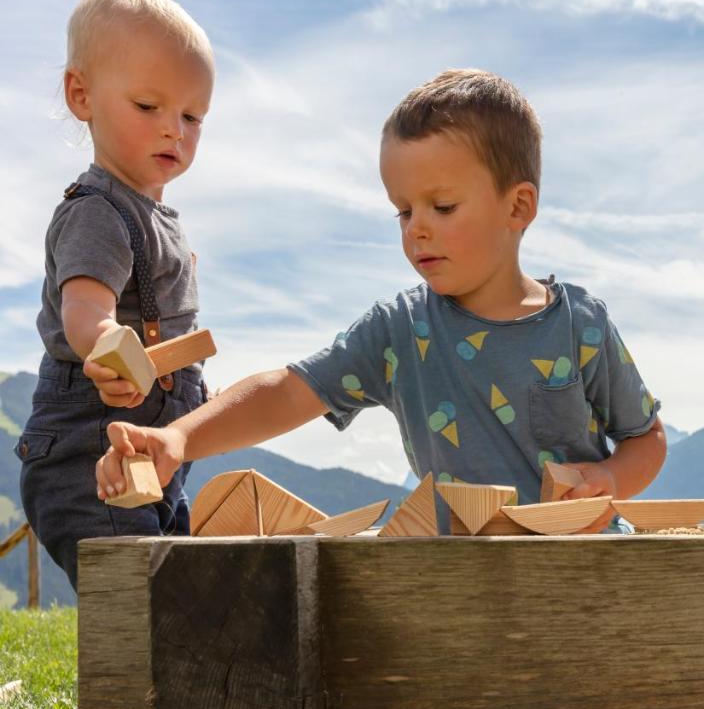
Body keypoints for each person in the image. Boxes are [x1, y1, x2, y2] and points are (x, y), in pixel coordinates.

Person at [96, 69, 666, 532]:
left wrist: (610, 480)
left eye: (442, 208)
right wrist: (178, 437)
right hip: (462, 594)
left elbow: (645, 438)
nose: (416, 229)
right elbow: (289, 391)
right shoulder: (401, 329)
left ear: (517, 208)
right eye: (403, 210)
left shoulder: (579, 324)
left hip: (588, 576)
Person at [14, 0, 215, 589]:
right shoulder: (98, 211)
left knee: (169, 589)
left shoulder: (158, 220)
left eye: (191, 116)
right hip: (87, 449)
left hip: (144, 449)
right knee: (136, 592)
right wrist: (104, 344)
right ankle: (126, 684)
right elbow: (83, 304)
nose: (172, 131)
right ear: (82, 96)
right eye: (148, 106)